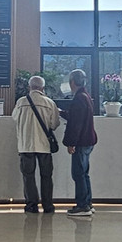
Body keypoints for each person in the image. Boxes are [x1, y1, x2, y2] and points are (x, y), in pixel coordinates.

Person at [12, 75, 60, 213]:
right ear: (42, 88)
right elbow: (54, 124)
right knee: (46, 176)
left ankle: (31, 205)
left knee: (28, 176)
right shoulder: (49, 103)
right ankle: (48, 205)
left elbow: (14, 118)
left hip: (25, 145)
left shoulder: (21, 102)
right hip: (44, 145)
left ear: (29, 87)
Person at [60, 69, 97, 217]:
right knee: (84, 174)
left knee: (78, 174)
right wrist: (62, 113)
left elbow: (76, 124)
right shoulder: (86, 96)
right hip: (88, 140)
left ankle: (82, 206)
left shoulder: (79, 98)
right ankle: (87, 203)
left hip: (81, 142)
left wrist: (71, 143)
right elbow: (77, 117)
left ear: (72, 82)